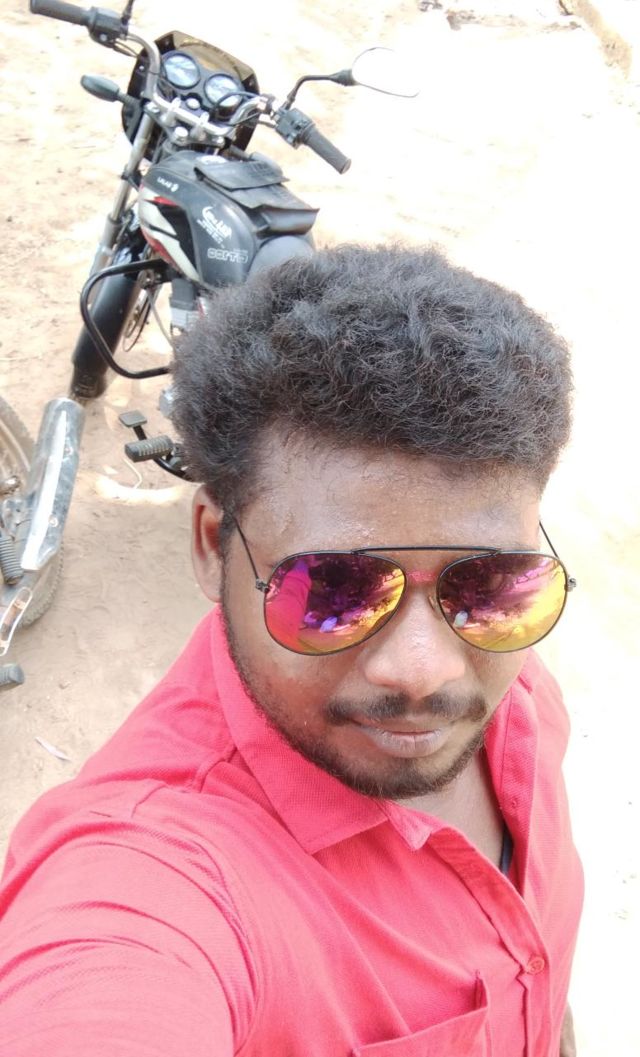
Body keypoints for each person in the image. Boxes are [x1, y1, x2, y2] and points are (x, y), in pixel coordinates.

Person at [0, 245, 582, 1056]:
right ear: (212, 545)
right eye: (334, 590)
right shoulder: (148, 883)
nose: (427, 668)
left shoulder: (513, 689)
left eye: (487, 585)